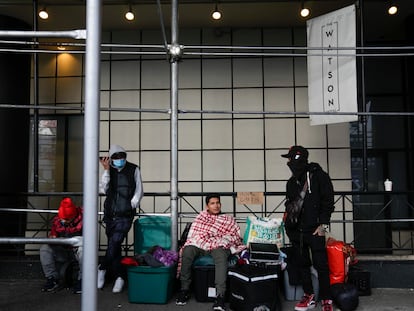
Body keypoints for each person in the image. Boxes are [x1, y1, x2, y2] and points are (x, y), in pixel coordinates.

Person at [281, 146, 335, 311]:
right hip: (297, 230)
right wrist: (289, 226)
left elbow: (328, 200)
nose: (288, 162)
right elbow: (290, 203)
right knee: (302, 263)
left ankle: (326, 299)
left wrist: (323, 225)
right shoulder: (291, 182)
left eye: (290, 159)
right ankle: (308, 295)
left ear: (297, 158)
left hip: (315, 229)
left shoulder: (319, 176)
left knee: (321, 264)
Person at [176, 193, 246, 311]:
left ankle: (220, 296)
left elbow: (235, 236)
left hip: (218, 245)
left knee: (221, 254)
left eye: (218, 203)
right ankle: (184, 290)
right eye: (212, 203)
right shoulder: (201, 217)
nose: (216, 206)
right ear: (207, 206)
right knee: (187, 250)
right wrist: (205, 240)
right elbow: (194, 235)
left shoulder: (227, 219)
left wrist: (221, 240)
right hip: (200, 245)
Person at [98, 144, 144, 293]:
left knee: (116, 240)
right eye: (116, 157)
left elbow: (139, 189)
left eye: (122, 156)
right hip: (110, 214)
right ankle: (120, 277)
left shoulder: (134, 169)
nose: (119, 159)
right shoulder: (108, 169)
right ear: (111, 158)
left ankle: (102, 267)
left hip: (125, 215)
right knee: (115, 246)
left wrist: (132, 203)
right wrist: (106, 170)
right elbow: (103, 189)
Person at [40, 197, 83, 294]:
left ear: (74, 216)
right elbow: (53, 234)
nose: (64, 221)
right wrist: (53, 238)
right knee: (45, 248)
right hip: (63, 251)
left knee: (84, 249)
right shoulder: (58, 220)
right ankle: (52, 279)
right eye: (62, 219)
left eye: (66, 219)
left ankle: (83, 280)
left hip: (77, 252)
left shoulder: (84, 219)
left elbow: (90, 238)